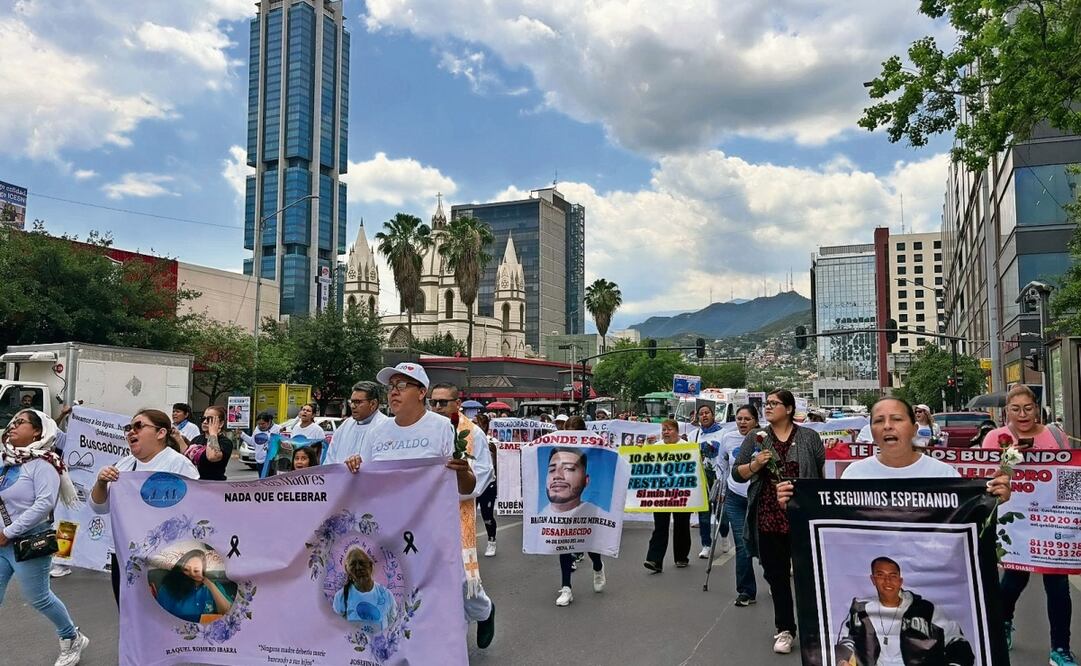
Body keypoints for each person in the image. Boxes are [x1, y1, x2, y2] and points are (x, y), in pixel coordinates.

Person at [343, 363, 495, 650]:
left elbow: (469, 485)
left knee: (454, 587)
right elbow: (365, 479)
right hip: (391, 530)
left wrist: (462, 471)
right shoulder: (378, 433)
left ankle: (482, 614)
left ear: (421, 392)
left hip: (435, 529)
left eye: (402, 386)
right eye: (391, 387)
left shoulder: (444, 428)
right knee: (402, 589)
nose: (394, 393)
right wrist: (354, 465)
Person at [982, 385, 1076, 665]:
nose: (1022, 414)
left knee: (1058, 585)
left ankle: (1060, 648)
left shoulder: (1056, 435)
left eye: (1028, 408)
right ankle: (1004, 621)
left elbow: (1068, 474)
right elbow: (988, 479)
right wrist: (1009, 458)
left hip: (1051, 521)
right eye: (1015, 408)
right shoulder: (994, 438)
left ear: (1037, 408)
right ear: (1006, 411)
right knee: (1013, 581)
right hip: (1013, 522)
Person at [732, 389, 825, 655]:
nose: (768, 407)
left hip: (801, 516)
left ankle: (814, 627)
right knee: (777, 575)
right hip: (769, 515)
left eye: (774, 403)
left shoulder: (809, 437)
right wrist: (755, 466)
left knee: (808, 574)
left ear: (789, 408)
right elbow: (737, 474)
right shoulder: (756, 438)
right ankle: (785, 628)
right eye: (767, 404)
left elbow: (819, 472)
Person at [1, 410, 89, 666]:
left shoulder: (46, 463)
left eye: (20, 422)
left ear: (38, 431)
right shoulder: (6, 460)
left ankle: (71, 637)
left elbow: (43, 505)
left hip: (29, 542)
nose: (12, 426)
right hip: (1, 541)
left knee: (38, 597)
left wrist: (8, 533)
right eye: (12, 422)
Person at [91, 409, 198, 605]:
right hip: (125, 553)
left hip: (164, 556)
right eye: (129, 428)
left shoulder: (179, 465)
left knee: (160, 616)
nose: (131, 432)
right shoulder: (123, 465)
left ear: (161, 433)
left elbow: (194, 510)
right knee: (128, 613)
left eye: (139, 426)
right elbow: (99, 507)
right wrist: (100, 483)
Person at [835, 556, 975, 666]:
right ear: (873, 579)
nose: (887, 581)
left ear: (900, 581)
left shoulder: (926, 610)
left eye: (893, 576)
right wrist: (842, 661)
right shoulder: (861, 610)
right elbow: (847, 641)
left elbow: (957, 640)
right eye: (881, 575)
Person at [552, 415, 605, 607]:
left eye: (577, 435)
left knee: (588, 540)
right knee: (564, 541)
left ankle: (598, 566)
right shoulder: (558, 446)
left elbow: (612, 457)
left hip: (587, 496)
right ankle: (566, 587)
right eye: (569, 434)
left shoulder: (595, 446)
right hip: (564, 497)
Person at [715, 404, 760, 606]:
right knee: (742, 543)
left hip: (759, 497)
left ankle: (774, 575)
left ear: (756, 421)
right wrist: (722, 490)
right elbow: (722, 465)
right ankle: (746, 590)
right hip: (735, 496)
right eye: (739, 419)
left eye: (747, 419)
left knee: (766, 544)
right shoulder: (728, 438)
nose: (742, 422)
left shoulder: (764, 437)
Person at [644, 419, 692, 572]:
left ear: (677, 431)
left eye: (669, 429)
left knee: (681, 525)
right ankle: (654, 560)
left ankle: (681, 556)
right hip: (662, 494)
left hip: (681, 493)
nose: (665, 432)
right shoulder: (656, 447)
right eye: (663, 429)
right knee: (660, 526)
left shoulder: (687, 447)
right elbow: (647, 466)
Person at [154, 549, 232, 624]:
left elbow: (227, 612)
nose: (191, 575)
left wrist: (209, 584)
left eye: (196, 571)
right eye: (186, 570)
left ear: (203, 571)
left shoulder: (213, 586)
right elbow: (160, 618)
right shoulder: (167, 588)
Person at [691, 404, 727, 559]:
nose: (704, 416)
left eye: (707, 413)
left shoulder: (724, 434)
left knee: (720, 512)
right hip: (702, 477)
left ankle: (724, 534)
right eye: (701, 413)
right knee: (704, 512)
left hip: (718, 477)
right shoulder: (694, 434)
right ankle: (706, 544)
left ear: (713, 415)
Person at [332, 548, 397, 633]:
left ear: (370, 566)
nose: (358, 568)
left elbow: (394, 628)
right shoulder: (340, 597)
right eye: (353, 564)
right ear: (347, 569)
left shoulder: (386, 595)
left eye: (362, 563)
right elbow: (336, 631)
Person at [325, 382, 388, 465]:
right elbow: (330, 458)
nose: (352, 406)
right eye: (352, 401)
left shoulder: (386, 427)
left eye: (357, 402)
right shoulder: (346, 425)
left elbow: (384, 464)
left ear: (373, 404)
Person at [183, 406, 233, 481]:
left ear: (221, 423)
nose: (205, 422)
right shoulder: (197, 439)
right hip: (195, 484)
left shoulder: (225, 442)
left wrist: (212, 433)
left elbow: (212, 456)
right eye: (203, 418)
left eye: (210, 419)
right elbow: (186, 458)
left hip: (214, 485)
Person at [474, 412, 498, 557]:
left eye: (476, 423)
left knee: (487, 515)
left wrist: (494, 452)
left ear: (483, 425)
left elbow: (496, 463)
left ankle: (491, 541)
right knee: (468, 516)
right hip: (472, 483)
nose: (472, 425)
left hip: (487, 483)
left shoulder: (492, 441)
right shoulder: (467, 439)